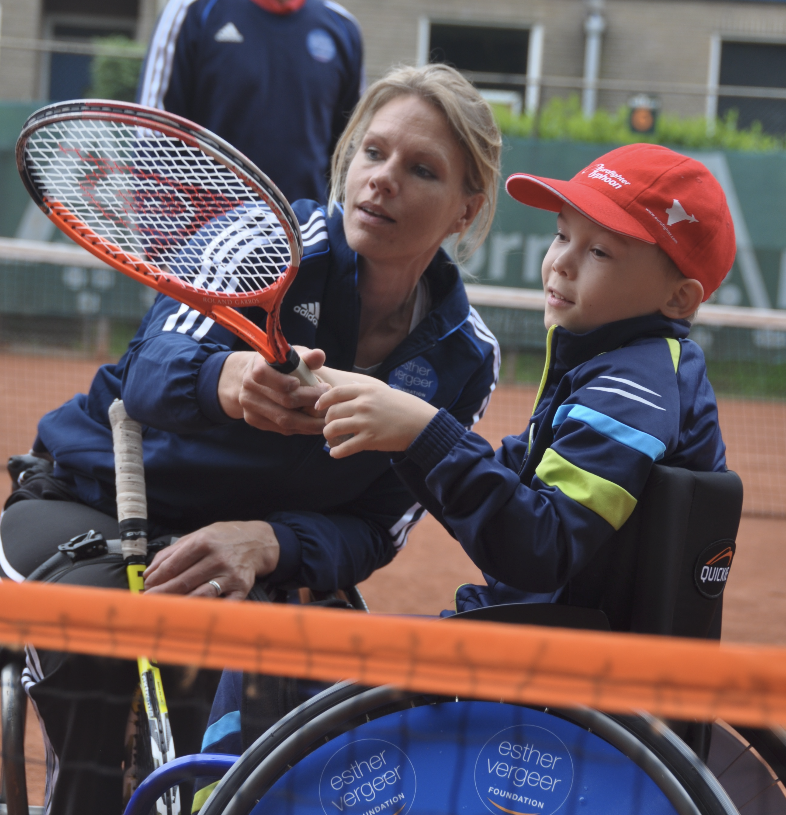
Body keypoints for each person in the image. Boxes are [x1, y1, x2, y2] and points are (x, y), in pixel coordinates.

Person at [0, 63, 502, 815]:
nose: (384, 179)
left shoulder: (465, 356)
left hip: (255, 558)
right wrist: (226, 378)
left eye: (421, 169)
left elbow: (375, 526)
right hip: (92, 499)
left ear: (466, 210)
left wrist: (268, 540)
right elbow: (150, 367)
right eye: (373, 153)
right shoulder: (270, 242)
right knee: (106, 655)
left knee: (323, 704)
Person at [317, 143, 735, 614]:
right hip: (539, 643)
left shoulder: (633, 388)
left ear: (679, 299)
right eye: (561, 236)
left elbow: (542, 546)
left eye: (599, 251)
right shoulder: (601, 369)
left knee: (282, 657)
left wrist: (423, 432)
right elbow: (502, 498)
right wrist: (398, 425)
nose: (561, 262)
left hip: (559, 670)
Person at [137, 0, 364, 204]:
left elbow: (350, 152)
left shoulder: (343, 27)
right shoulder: (192, 10)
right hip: (204, 237)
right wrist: (164, 240)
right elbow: (153, 134)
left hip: (306, 240)